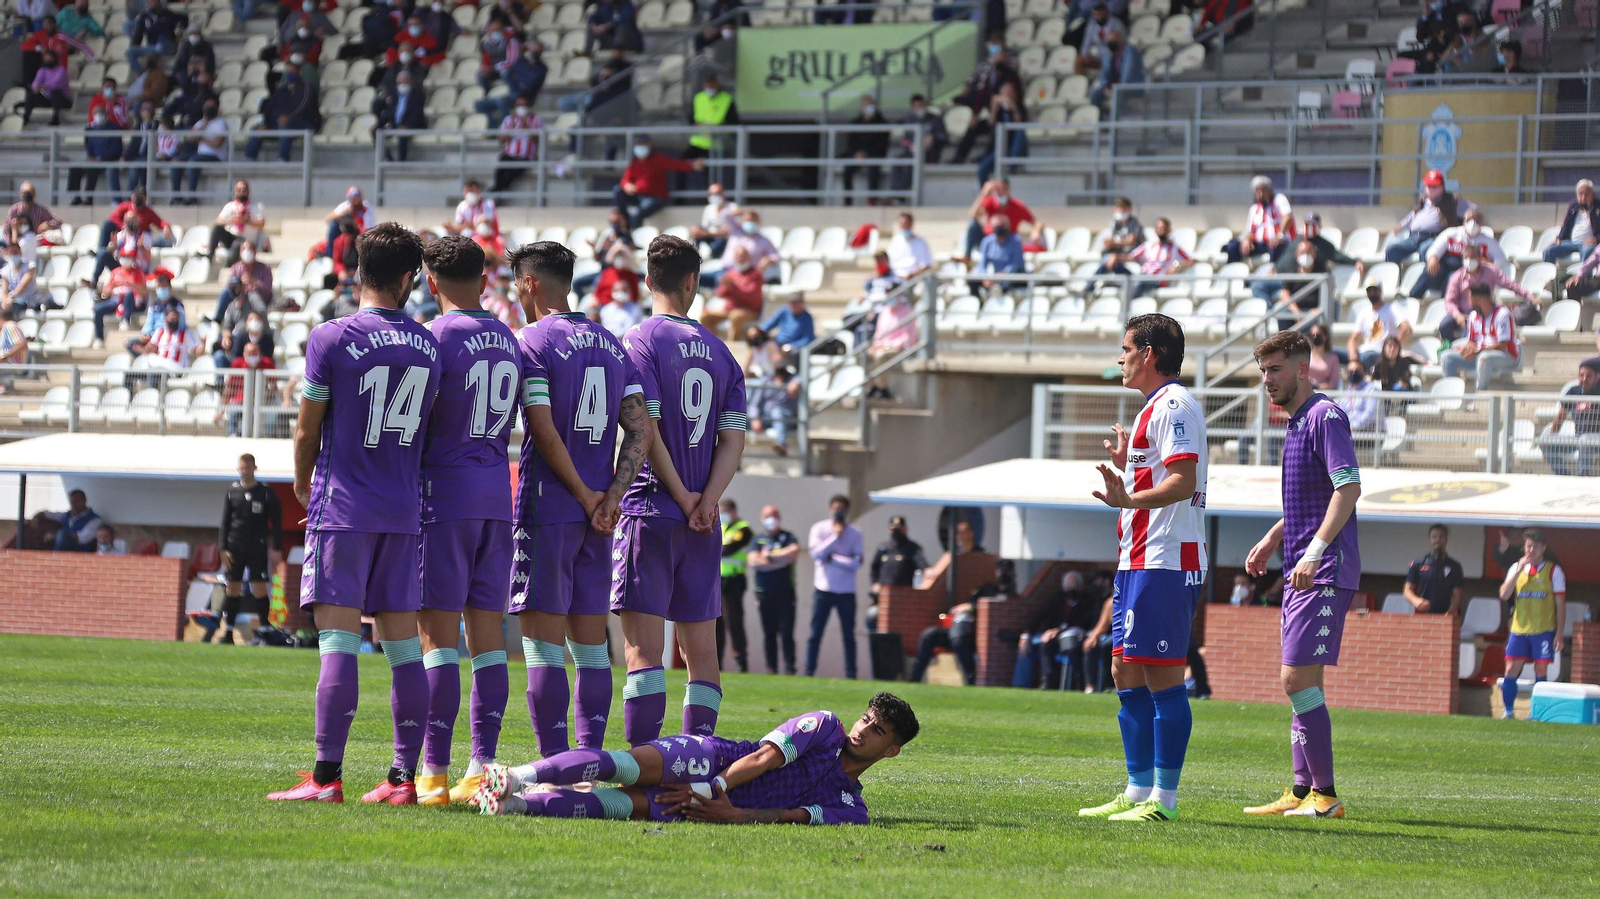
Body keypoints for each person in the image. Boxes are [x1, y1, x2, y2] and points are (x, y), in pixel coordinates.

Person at [268, 223, 442, 805]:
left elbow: (306, 426)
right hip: (403, 511)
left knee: (338, 644)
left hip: (344, 507)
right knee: (403, 651)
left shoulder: (330, 337)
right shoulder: (427, 344)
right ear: (408, 277)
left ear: (357, 269)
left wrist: (301, 482)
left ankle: (325, 777)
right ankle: (400, 780)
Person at [392, 237, 516, 807]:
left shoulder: (435, 337)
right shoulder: (509, 339)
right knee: (488, 642)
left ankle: (434, 776)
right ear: (485, 279)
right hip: (497, 494)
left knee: (438, 642)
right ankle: (481, 768)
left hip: (444, 495)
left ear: (432, 283)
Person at [612, 235, 747, 745]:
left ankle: (646, 767)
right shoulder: (722, 352)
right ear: (693, 282)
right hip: (702, 522)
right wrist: (707, 499)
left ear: (649, 280)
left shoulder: (639, 340)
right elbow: (733, 440)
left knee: (643, 654)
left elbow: (644, 428)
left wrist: (682, 494)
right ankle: (694, 767)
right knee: (702, 651)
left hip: (650, 508)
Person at [1078, 313, 1207, 823]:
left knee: (1163, 678)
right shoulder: (1153, 410)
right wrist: (1132, 458)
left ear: (1149, 354)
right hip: (1137, 559)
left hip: (1167, 561)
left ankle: (1165, 802)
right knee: (1124, 669)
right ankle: (1136, 790)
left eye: (1126, 348)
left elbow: (1182, 480)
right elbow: (1161, 471)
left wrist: (1128, 494)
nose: (1120, 358)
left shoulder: (1175, 405)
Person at [1242, 329, 1362, 820]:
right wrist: (1275, 538)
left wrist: (1313, 552)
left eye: (1275, 370)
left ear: (1301, 368)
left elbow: (1348, 488)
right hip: (1301, 569)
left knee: (1295, 679)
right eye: (1263, 372)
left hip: (1323, 569)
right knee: (1305, 683)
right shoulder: (1295, 425)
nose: (1267, 381)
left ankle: (1326, 796)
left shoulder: (1325, 417)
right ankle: (1301, 790)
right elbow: (1309, 500)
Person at [468, 694, 918, 825]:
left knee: (618, 807)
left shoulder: (852, 807)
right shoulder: (825, 727)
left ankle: (512, 804)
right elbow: (764, 757)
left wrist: (734, 816)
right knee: (621, 765)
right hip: (709, 762)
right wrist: (714, 790)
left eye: (876, 730)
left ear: (891, 750)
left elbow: (794, 816)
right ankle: (513, 776)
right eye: (866, 719)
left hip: (712, 802)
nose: (862, 730)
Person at [1497, 528, 1566, 719]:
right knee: (1511, 669)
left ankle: (1536, 713)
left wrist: (1559, 634)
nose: (1531, 550)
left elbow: (1560, 605)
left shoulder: (1553, 570)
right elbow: (1504, 594)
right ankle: (1508, 711)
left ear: (1543, 548)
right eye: (1528, 546)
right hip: (1519, 629)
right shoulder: (1516, 568)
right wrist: (1518, 570)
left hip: (1543, 629)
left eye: (1535, 546)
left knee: (1541, 669)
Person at [215, 453, 283, 646]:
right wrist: (222, 548)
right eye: (242, 468)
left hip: (257, 547)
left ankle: (265, 632)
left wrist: (277, 548)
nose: (245, 471)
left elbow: (277, 522)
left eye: (248, 467)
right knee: (232, 588)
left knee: (259, 588)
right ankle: (228, 633)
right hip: (234, 547)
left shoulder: (266, 492)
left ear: (254, 468)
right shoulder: (232, 491)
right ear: (239, 469)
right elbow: (225, 522)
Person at [806, 494, 864, 680]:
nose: (838, 512)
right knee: (815, 634)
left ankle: (851, 674)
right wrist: (835, 537)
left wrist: (832, 559)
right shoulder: (819, 528)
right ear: (830, 509)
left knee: (848, 635)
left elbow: (857, 562)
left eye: (842, 508)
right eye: (835, 508)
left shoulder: (856, 533)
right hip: (823, 590)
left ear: (847, 511)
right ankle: (808, 672)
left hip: (846, 592)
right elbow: (816, 554)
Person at [1441, 243, 1533, 343]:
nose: (1469, 261)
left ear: (1480, 258)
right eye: (1466, 258)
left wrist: (1529, 296)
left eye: (1472, 257)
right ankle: (1451, 348)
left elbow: (1509, 284)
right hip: (1462, 311)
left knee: (1467, 334)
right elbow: (1449, 301)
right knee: (1444, 326)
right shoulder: (1457, 276)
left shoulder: (1491, 270)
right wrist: (1457, 315)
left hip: (1484, 310)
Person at [748, 505, 801, 676]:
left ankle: (789, 668)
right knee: (769, 633)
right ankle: (771, 668)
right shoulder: (758, 539)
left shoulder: (788, 537)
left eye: (774, 515)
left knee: (787, 633)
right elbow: (753, 562)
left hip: (785, 592)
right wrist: (779, 560)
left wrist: (769, 557)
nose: (771, 519)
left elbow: (793, 553)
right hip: (764, 593)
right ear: (761, 519)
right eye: (767, 516)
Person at [1441, 282, 1518, 392]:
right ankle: (1452, 395)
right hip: (1480, 353)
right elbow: (1472, 341)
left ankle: (1480, 396)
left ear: (1479, 300)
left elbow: (1502, 345)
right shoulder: (1473, 316)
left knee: (1484, 358)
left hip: (1506, 356)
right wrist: (1466, 349)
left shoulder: (1502, 314)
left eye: (1470, 299)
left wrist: (1477, 352)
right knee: (1447, 357)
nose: (1469, 303)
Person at [613, 136, 704, 229]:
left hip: (655, 198)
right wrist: (627, 185)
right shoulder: (635, 162)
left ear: (649, 146)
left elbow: (676, 165)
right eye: (638, 145)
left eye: (643, 145)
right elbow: (625, 180)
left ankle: (635, 239)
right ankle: (624, 218)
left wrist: (692, 165)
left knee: (637, 213)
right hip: (638, 196)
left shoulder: (658, 159)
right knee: (618, 190)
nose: (641, 148)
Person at [1412, 208, 1502, 300]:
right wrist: (1433, 258)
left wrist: (1490, 262)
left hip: (1465, 272)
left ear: (1482, 223)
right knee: (1429, 272)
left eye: (1477, 220)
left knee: (1452, 279)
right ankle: (1412, 297)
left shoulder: (1488, 241)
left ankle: (1446, 306)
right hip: (1444, 267)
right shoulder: (1452, 233)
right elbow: (1435, 248)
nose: (1473, 223)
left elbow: (1501, 258)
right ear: (1464, 222)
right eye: (1469, 220)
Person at [1388, 169, 1471, 264]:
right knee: (1392, 250)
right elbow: (1412, 215)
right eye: (1428, 186)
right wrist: (1401, 225)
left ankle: (1424, 277)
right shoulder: (1423, 200)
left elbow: (1472, 211)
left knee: (1425, 251)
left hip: (1433, 237)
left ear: (1442, 187)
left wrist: (1469, 224)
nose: (1431, 189)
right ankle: (1394, 276)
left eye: (1435, 186)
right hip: (1413, 237)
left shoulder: (1451, 200)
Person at [1537, 357, 1600, 477]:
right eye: (1581, 375)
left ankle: (1582, 477)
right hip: (1577, 437)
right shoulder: (1573, 391)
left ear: (1596, 377)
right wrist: (1551, 435)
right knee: (1545, 441)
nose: (1584, 379)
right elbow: (1561, 416)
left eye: (1589, 376)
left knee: (1585, 440)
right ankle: (1564, 476)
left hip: (1596, 439)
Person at [245, 61, 318, 163]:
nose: (289, 74)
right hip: (279, 123)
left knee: (285, 128)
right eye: (287, 71)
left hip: (301, 122)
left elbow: (303, 105)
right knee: (256, 129)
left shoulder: (306, 87)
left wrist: (289, 116)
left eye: (292, 71)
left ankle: (283, 159)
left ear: (298, 72)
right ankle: (249, 159)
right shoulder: (281, 89)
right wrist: (265, 123)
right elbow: (270, 107)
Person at [716, 499, 754, 673]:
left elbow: (729, 549)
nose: (722, 514)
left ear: (733, 512)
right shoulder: (719, 527)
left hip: (734, 581)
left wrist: (714, 546)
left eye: (725, 511)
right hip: (717, 580)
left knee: (734, 621)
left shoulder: (743, 529)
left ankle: (741, 659)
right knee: (716, 623)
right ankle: (716, 663)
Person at [1225, 175, 1296, 265]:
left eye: (1263, 191)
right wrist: (1246, 240)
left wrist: (1280, 236)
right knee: (1233, 247)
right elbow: (1251, 231)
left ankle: (1274, 275)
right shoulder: (1254, 209)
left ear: (1270, 190)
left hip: (1280, 243)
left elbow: (1288, 217)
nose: (1261, 195)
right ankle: (1233, 274)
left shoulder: (1279, 200)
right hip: (1260, 244)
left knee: (1277, 248)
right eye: (1258, 192)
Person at [961, 178, 1034, 261]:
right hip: (989, 242)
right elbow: (973, 215)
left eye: (1001, 189)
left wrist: (1036, 231)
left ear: (1008, 189)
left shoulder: (1017, 206)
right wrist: (984, 193)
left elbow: (1035, 222)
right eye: (996, 190)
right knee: (973, 225)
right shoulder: (990, 202)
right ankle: (967, 257)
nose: (999, 192)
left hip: (1008, 243)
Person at [171, 100, 227, 202]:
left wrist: (201, 138)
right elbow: (190, 138)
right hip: (200, 155)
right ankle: (176, 196)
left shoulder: (221, 123)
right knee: (176, 161)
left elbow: (217, 143)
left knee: (193, 161)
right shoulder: (201, 123)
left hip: (215, 156)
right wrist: (204, 124)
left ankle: (192, 195)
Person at [910, 599, 977, 685]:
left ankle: (971, 680)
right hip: (953, 631)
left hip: (969, 634)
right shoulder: (978, 593)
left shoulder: (991, 592)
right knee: (928, 635)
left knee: (958, 641)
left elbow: (984, 605)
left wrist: (971, 607)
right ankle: (915, 679)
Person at [889, 94, 948, 191]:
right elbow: (904, 141)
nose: (920, 108)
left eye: (922, 105)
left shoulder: (935, 119)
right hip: (912, 153)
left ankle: (899, 197)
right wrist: (910, 146)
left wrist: (933, 139)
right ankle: (895, 193)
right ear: (913, 108)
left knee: (911, 164)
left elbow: (943, 138)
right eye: (917, 106)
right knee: (898, 161)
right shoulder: (909, 120)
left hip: (930, 154)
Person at [1403, 524, 1463, 617]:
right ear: (1430, 540)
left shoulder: (1455, 566)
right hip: (1422, 615)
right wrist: (1416, 600)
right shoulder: (1418, 564)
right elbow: (1407, 591)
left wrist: (1449, 614)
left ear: (1446, 539)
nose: (1438, 540)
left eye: (1441, 536)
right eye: (1434, 537)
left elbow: (1458, 596)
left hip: (1445, 615)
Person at [1347, 285, 1411, 371]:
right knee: (1334, 354)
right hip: (1363, 351)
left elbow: (1406, 329)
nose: (1372, 293)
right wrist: (1352, 352)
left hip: (1379, 352)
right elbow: (1353, 338)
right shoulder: (1364, 313)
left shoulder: (1391, 308)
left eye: (1375, 290)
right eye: (1369, 290)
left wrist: (1394, 347)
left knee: (1367, 357)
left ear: (1380, 291)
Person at [841, 96, 890, 205]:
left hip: (874, 154)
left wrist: (867, 153)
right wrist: (856, 153)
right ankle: (847, 201)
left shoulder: (882, 123)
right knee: (847, 169)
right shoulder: (855, 123)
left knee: (873, 169)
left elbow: (882, 144)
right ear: (861, 108)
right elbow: (851, 143)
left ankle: (872, 199)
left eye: (871, 105)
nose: (869, 108)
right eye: (867, 105)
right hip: (857, 155)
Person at [373, 70, 427, 163]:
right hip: (395, 124)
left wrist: (407, 125)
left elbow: (417, 115)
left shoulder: (417, 95)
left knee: (403, 134)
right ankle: (388, 159)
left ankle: (402, 162)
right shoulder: (393, 95)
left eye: (405, 82)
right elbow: (385, 110)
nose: (402, 85)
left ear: (410, 82)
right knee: (375, 131)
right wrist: (378, 123)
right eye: (400, 82)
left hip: (410, 124)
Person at [207, 181, 266, 265]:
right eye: (239, 190)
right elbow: (218, 221)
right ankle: (209, 256)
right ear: (234, 192)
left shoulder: (257, 206)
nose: (241, 192)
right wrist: (231, 220)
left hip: (247, 240)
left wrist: (246, 220)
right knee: (217, 228)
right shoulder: (229, 206)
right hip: (231, 237)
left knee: (236, 244)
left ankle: (228, 267)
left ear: (248, 192)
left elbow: (262, 223)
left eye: (244, 190)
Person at [1545, 179, 1600, 264]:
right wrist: (1560, 237)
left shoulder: (1598, 207)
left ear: (1592, 195)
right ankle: (1547, 276)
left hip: (1588, 244)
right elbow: (1566, 224)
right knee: (1548, 251)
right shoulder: (1573, 206)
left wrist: (1596, 239)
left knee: (1587, 252)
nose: (1583, 198)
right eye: (1580, 194)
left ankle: (1581, 276)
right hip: (1571, 243)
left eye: (1586, 194)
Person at [1089, 27, 1143, 109]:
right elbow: (1104, 73)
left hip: (1131, 87)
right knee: (1096, 94)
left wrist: (1118, 90)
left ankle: (1119, 120)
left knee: (1119, 97)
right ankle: (1100, 119)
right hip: (1114, 88)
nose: (1111, 43)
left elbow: (1128, 73)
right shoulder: (1110, 54)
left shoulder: (1130, 51)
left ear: (1120, 39)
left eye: (1113, 40)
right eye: (1109, 41)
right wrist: (1106, 87)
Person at [974, 213, 1026, 294]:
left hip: (1012, 276)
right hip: (995, 277)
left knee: (1009, 280)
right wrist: (985, 278)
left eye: (1001, 226)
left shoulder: (1016, 240)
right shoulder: (987, 242)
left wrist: (1002, 274)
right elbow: (982, 265)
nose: (999, 229)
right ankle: (980, 302)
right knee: (972, 281)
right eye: (996, 226)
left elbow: (1017, 263)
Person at [36, 490, 102, 552]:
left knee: (61, 534)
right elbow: (47, 513)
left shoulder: (95, 520)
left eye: (77, 501)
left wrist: (56, 536)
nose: (74, 504)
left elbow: (83, 538)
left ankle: (55, 559)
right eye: (72, 502)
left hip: (81, 551)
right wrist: (35, 518)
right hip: (64, 549)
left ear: (84, 500)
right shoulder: (66, 515)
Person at [23, 51, 71, 126]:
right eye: (46, 58)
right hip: (49, 99)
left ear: (54, 59)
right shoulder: (42, 70)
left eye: (50, 58)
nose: (47, 60)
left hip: (63, 100)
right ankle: (25, 117)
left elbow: (56, 83)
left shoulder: (61, 70)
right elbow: (36, 82)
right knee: (32, 93)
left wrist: (42, 86)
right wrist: (36, 88)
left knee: (55, 92)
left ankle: (56, 118)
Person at [0, 243, 45, 314]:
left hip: (28, 300)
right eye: (11, 252)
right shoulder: (5, 270)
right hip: (12, 300)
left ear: (20, 252)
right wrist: (5, 300)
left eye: (15, 252)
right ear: (7, 254)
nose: (13, 254)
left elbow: (23, 285)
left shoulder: (30, 266)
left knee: (7, 312)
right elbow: (5, 291)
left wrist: (11, 297)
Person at [689, 183, 732, 258]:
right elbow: (704, 225)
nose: (715, 197)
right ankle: (693, 258)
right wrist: (696, 229)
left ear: (723, 194)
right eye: (712, 194)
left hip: (725, 241)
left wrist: (707, 234)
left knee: (718, 244)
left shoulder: (732, 208)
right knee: (695, 234)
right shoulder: (709, 208)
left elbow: (727, 232)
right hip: (710, 237)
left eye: (717, 194)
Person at [886, 213, 933, 281]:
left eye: (906, 223)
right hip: (895, 277)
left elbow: (926, 265)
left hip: (914, 279)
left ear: (911, 224)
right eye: (902, 224)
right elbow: (889, 263)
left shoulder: (920, 242)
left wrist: (911, 275)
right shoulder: (894, 241)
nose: (904, 226)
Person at [1306, 324, 1341, 390]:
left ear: (1325, 336)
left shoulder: (1333, 358)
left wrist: (1318, 387)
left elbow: (1334, 382)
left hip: (1324, 393)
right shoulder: (1305, 355)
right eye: (1312, 335)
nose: (1315, 337)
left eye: (1318, 335)